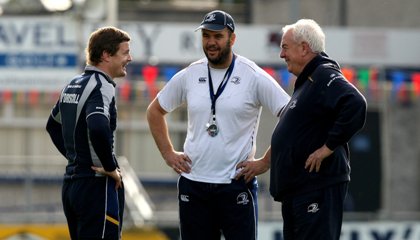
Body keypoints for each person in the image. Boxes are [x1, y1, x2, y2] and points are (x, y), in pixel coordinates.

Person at [146, 10, 290, 240]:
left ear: (232, 39)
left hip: (235, 184)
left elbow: (291, 116)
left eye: (217, 36)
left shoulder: (253, 75)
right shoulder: (190, 74)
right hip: (194, 183)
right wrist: (168, 153)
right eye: (206, 36)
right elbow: (155, 111)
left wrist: (266, 161)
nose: (211, 42)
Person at [270, 19, 367, 240]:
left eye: (285, 47)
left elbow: (355, 103)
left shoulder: (322, 74)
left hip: (315, 188)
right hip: (299, 191)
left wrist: (327, 147)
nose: (281, 55)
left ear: (304, 48)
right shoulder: (307, 83)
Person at [46, 26, 132, 240]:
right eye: (125, 52)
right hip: (96, 186)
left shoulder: (73, 83)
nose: (129, 58)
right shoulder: (102, 86)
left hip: (72, 185)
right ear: (106, 55)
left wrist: (77, 159)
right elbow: (98, 126)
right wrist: (110, 168)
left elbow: (52, 125)